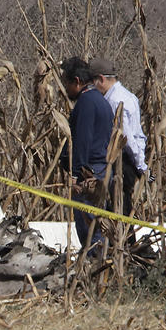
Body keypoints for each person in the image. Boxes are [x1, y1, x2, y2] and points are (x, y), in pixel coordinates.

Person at [58, 56, 114, 249]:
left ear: (77, 81)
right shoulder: (99, 100)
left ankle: (94, 260)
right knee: (96, 223)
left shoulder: (86, 103)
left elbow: (82, 141)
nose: (65, 89)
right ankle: (98, 259)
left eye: (67, 83)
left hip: (89, 173)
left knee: (89, 225)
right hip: (100, 170)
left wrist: (75, 175)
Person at [88, 57, 148, 217]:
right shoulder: (129, 96)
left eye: (92, 82)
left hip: (121, 161)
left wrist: (139, 165)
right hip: (130, 159)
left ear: (101, 79)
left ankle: (124, 234)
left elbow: (126, 137)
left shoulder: (114, 101)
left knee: (119, 206)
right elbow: (139, 134)